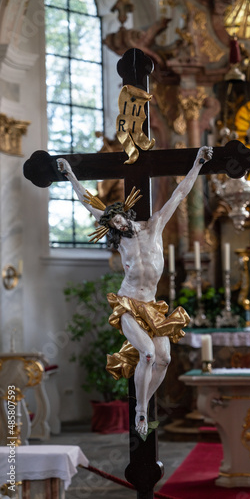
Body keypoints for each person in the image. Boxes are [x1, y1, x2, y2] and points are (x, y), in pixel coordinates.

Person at [57, 145, 213, 435]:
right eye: (113, 224)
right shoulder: (122, 242)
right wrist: (70, 175)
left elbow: (180, 194)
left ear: (125, 214)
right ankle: (141, 412)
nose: (119, 224)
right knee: (149, 355)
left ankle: (142, 407)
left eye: (118, 218)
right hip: (129, 304)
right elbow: (87, 201)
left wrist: (198, 164)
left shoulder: (154, 225)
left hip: (152, 307)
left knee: (164, 358)